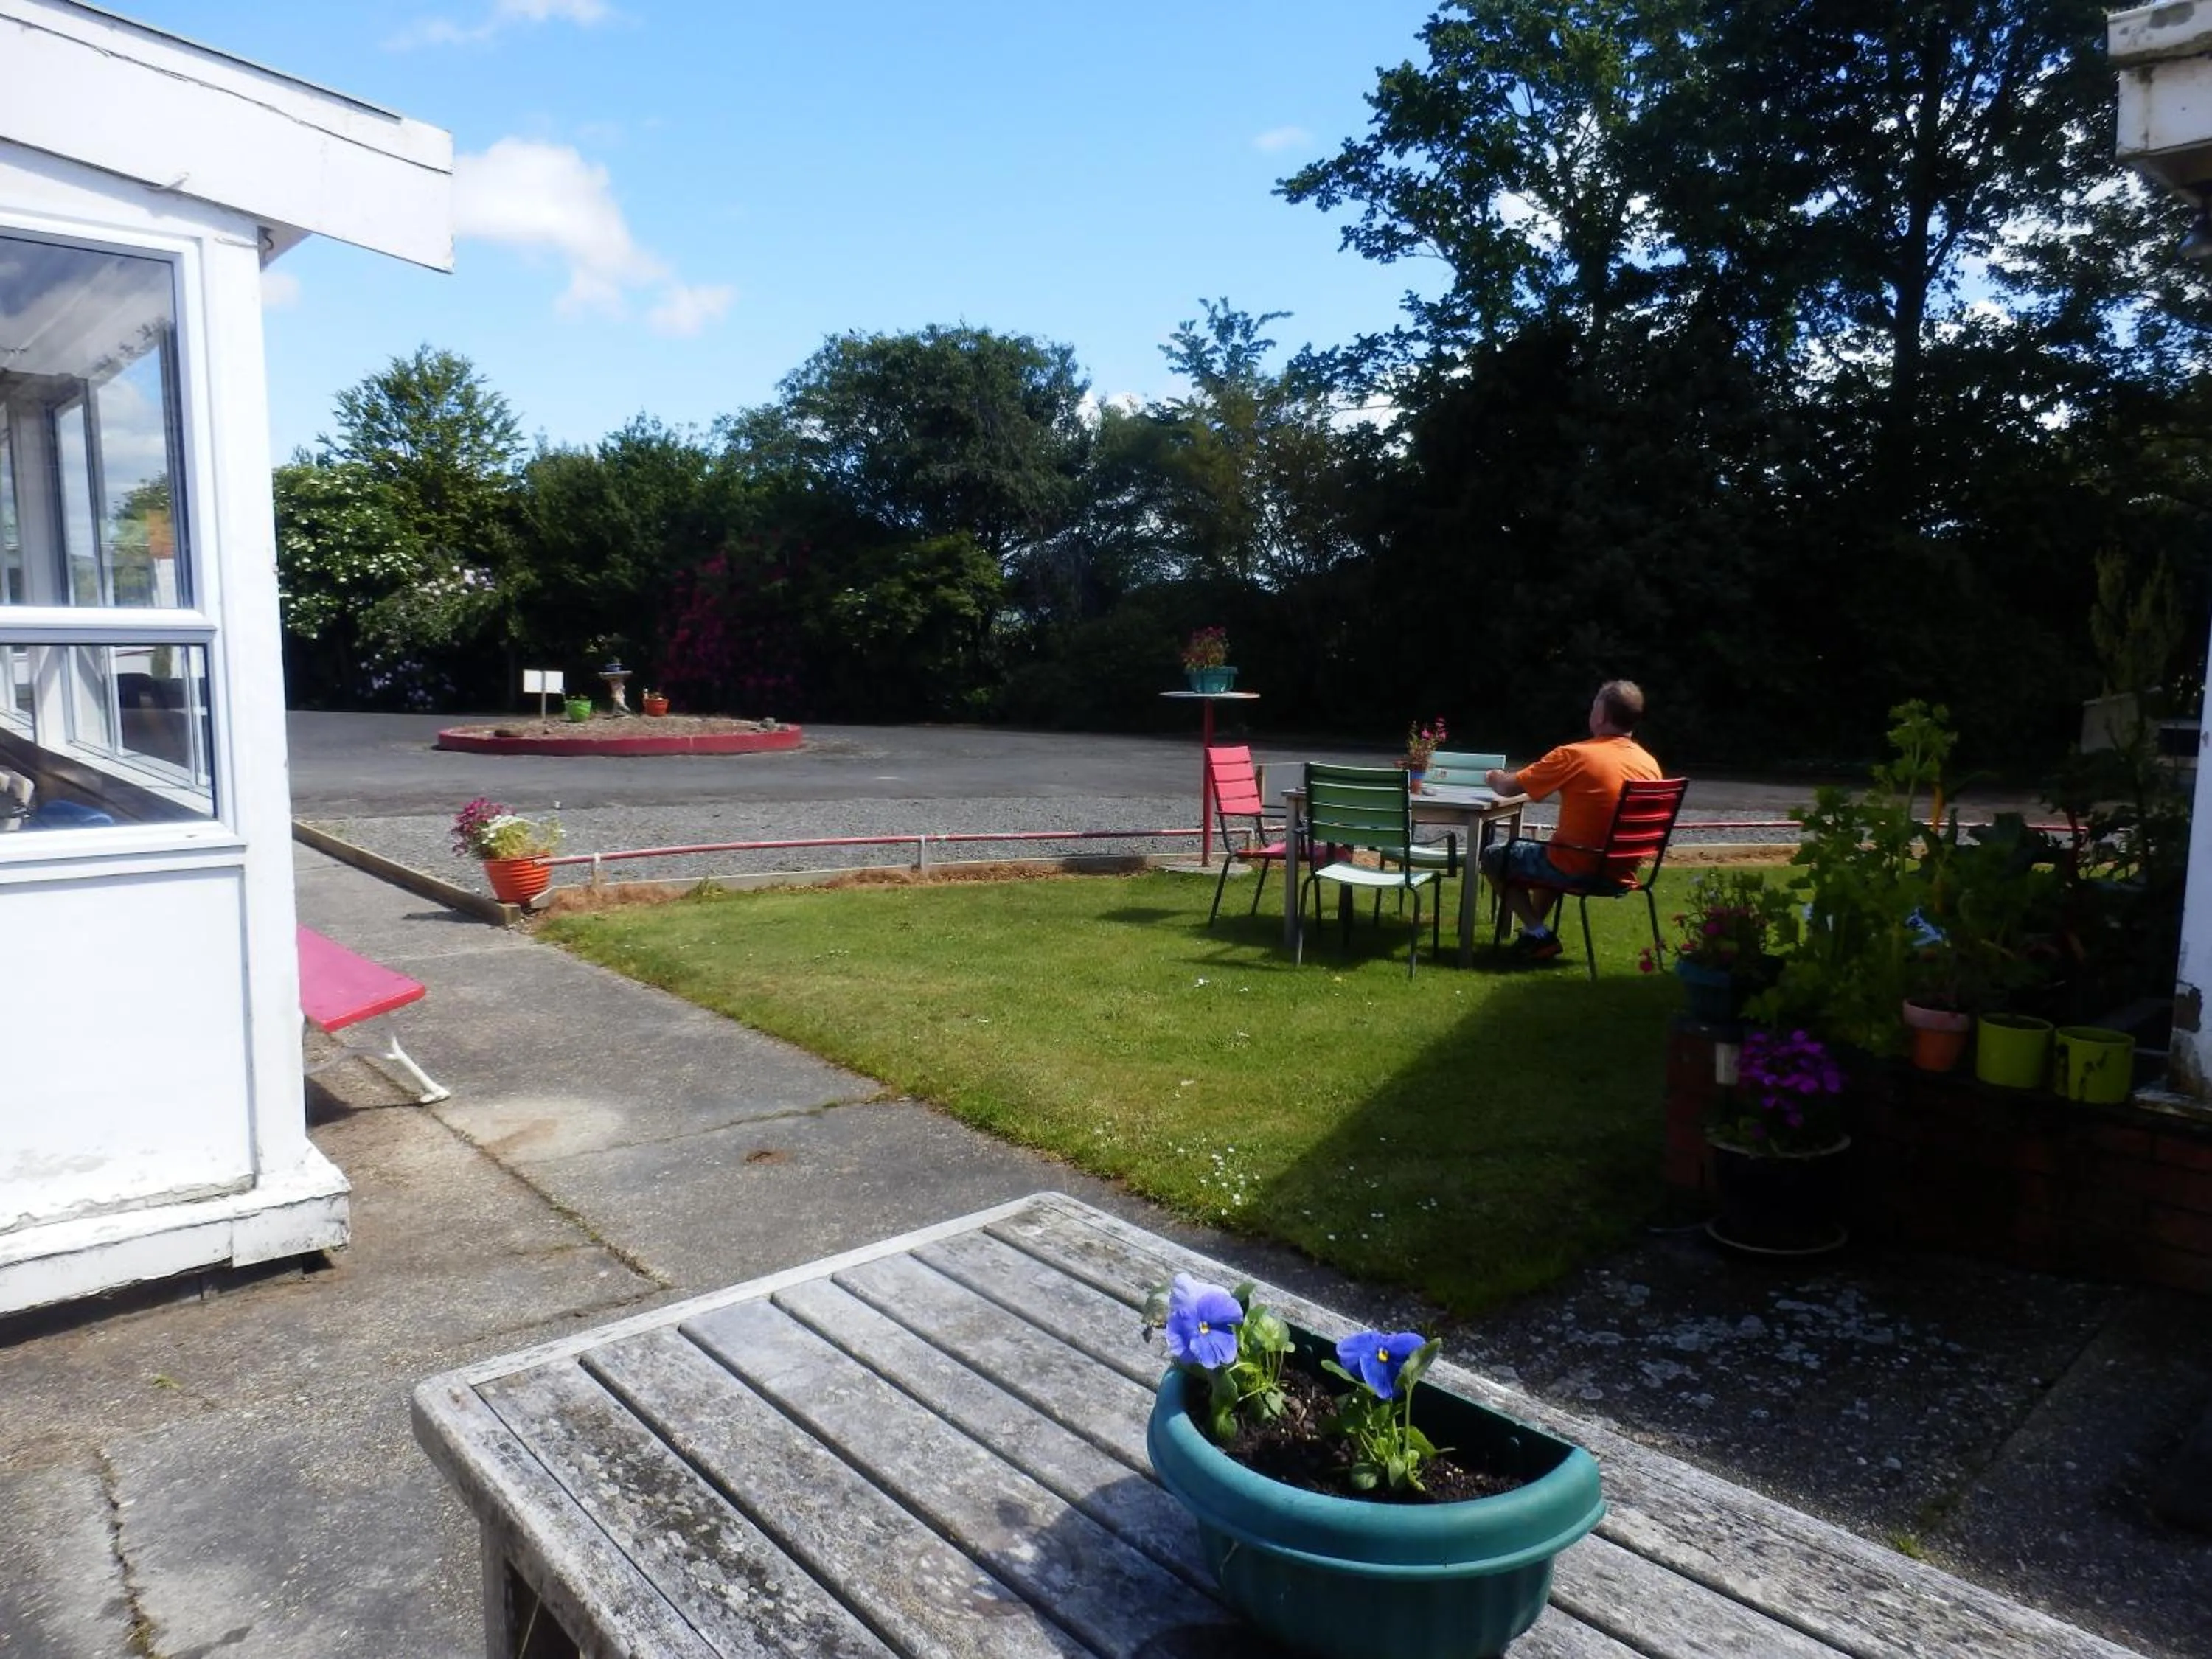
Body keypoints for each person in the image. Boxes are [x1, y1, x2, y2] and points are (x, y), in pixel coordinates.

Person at [1480, 680, 1662, 961]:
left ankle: (1538, 933)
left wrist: (1492, 776)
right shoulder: (1649, 764)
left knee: (1493, 856)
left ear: (1601, 716)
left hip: (1580, 867)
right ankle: (1534, 937)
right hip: (1622, 871)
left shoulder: (1576, 755)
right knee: (1552, 849)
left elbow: (1507, 788)